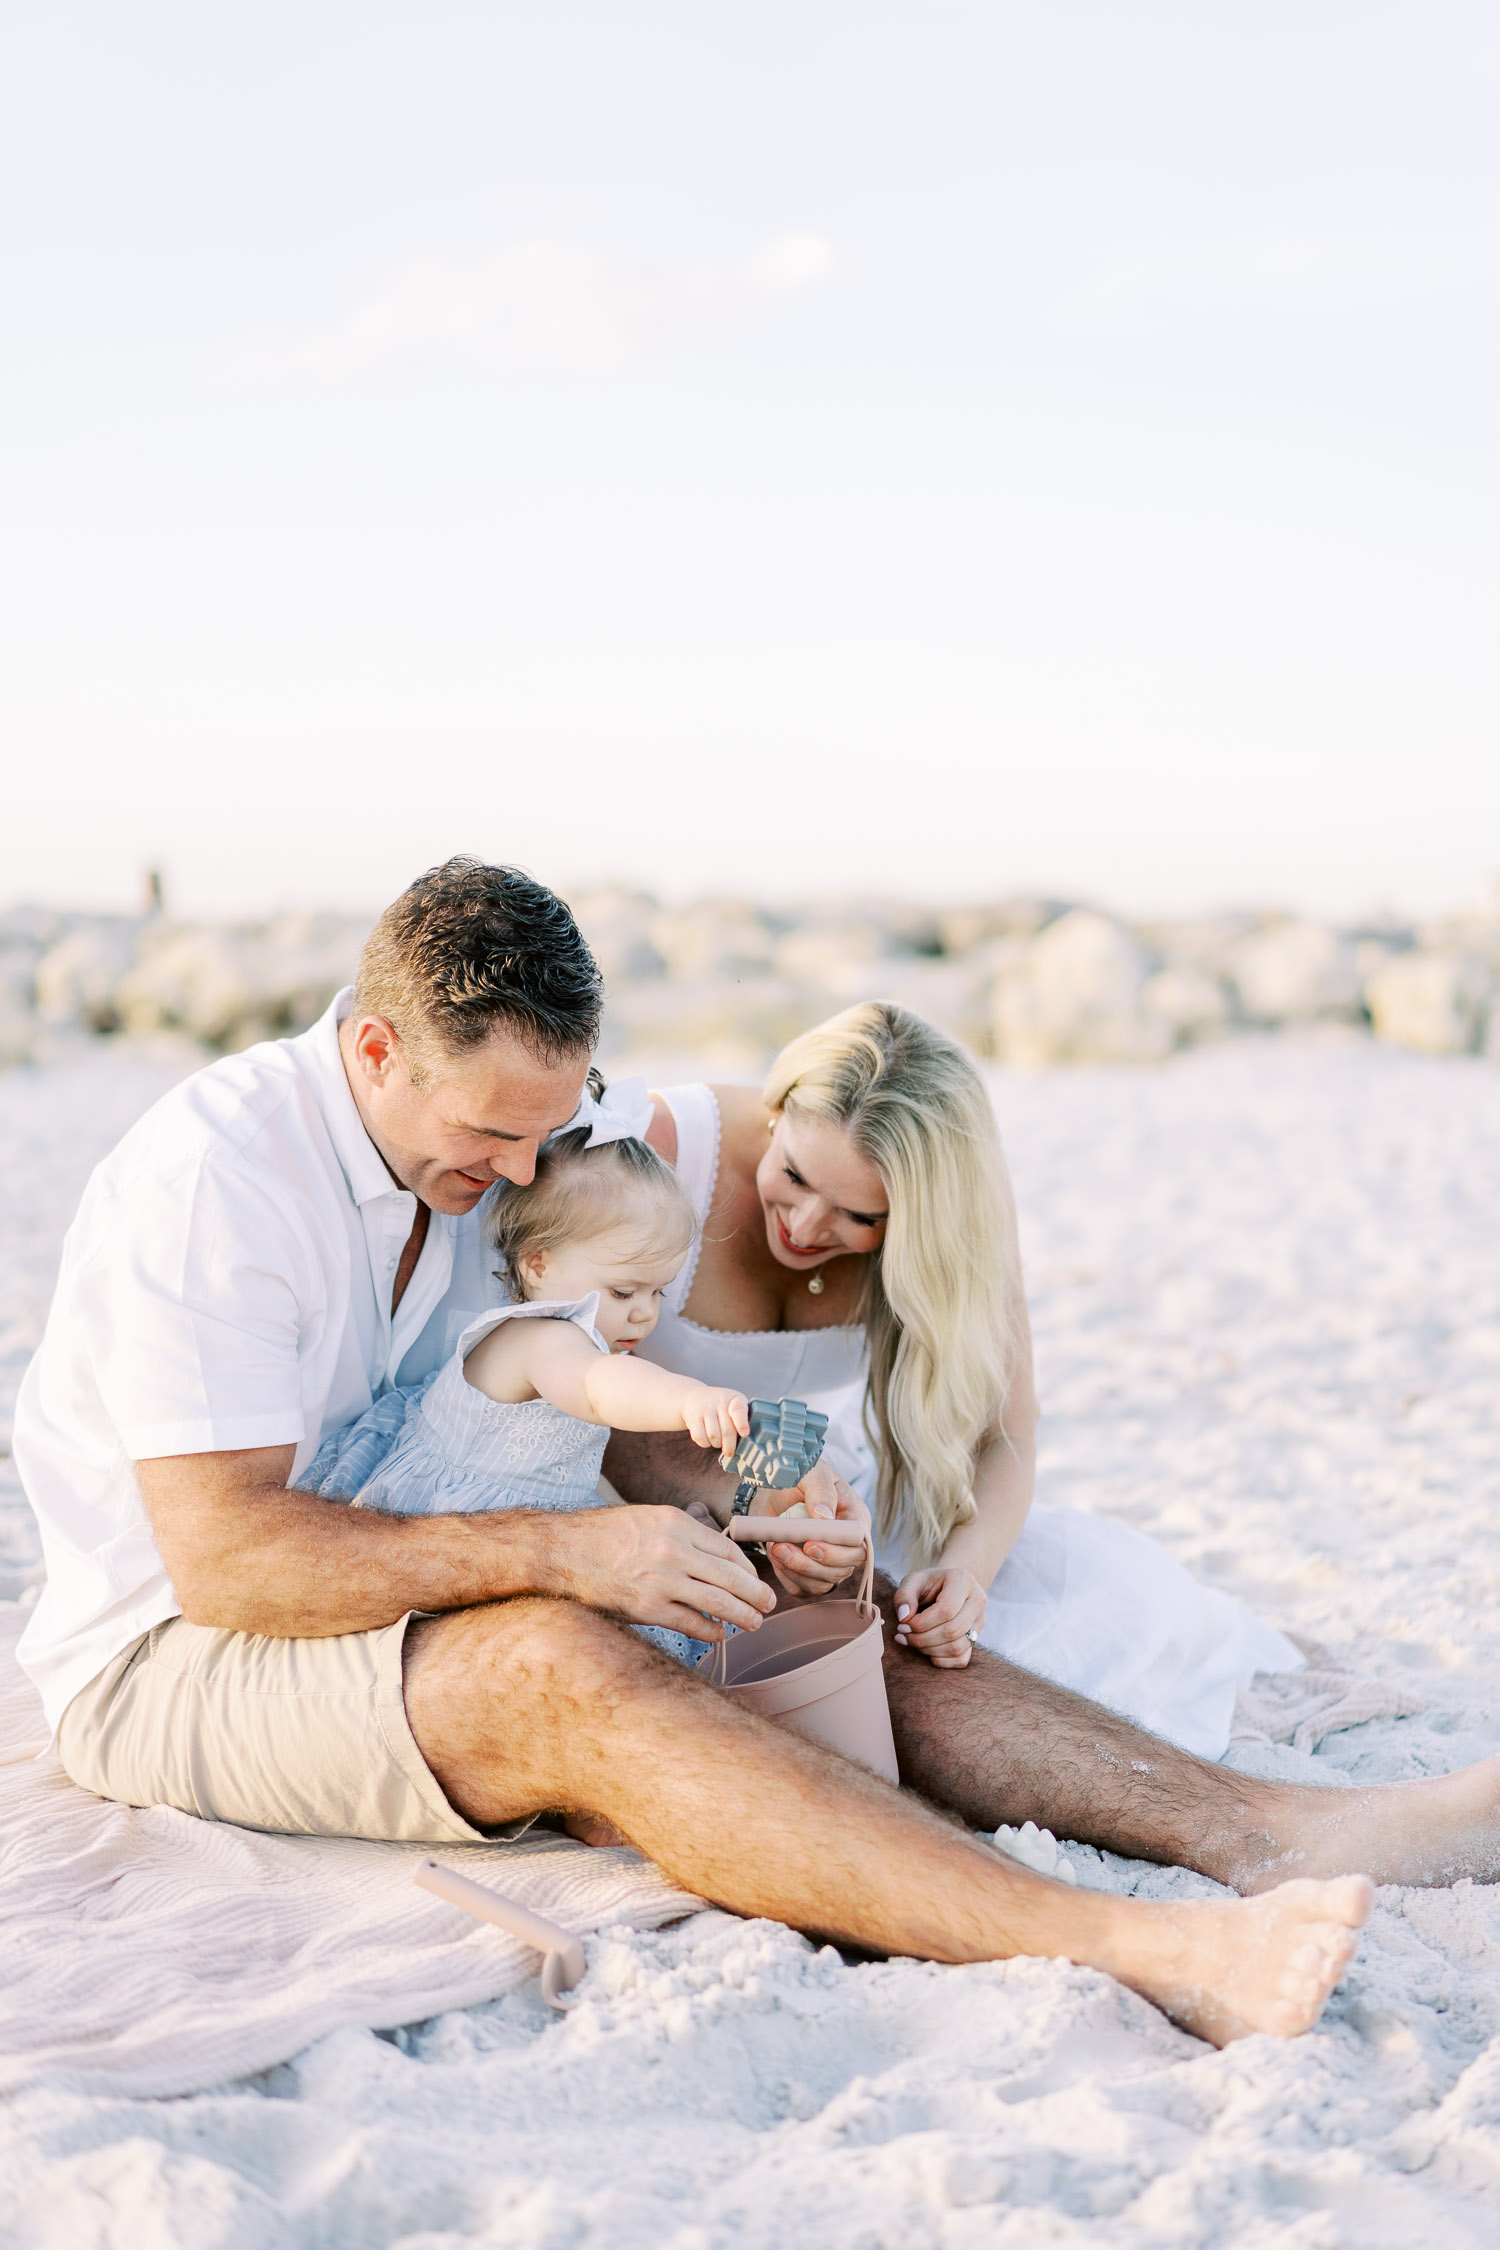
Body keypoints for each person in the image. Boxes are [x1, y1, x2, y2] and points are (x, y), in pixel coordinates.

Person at [14, 856, 1500, 2052]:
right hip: (177, 1650)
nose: (521, 1176)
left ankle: (1278, 1830)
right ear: (375, 1048)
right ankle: (1136, 1945)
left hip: (395, 1540)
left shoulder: (486, 1139)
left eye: (545, 1132)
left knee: (806, 1600)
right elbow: (229, 1558)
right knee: (554, 1663)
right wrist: (570, 1554)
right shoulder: (219, 1181)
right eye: (490, 1138)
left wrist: (750, 1512)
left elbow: (571, 1404)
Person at [612, 1004, 1300, 1759]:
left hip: (821, 1494)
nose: (804, 1227)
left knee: (1115, 1605)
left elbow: (1007, 1432)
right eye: (795, 1176)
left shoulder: (957, 1219)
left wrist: (964, 1574)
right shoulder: (659, 1148)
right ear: (778, 1109)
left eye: (859, 1215)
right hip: (661, 1496)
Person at [299, 1086, 751, 1665]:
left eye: (657, 1292)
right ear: (539, 1263)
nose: (644, 1313)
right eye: (624, 1291)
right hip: (464, 1535)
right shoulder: (539, 1340)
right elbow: (599, 1387)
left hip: (526, 1523)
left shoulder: (566, 1336)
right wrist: (692, 1401)